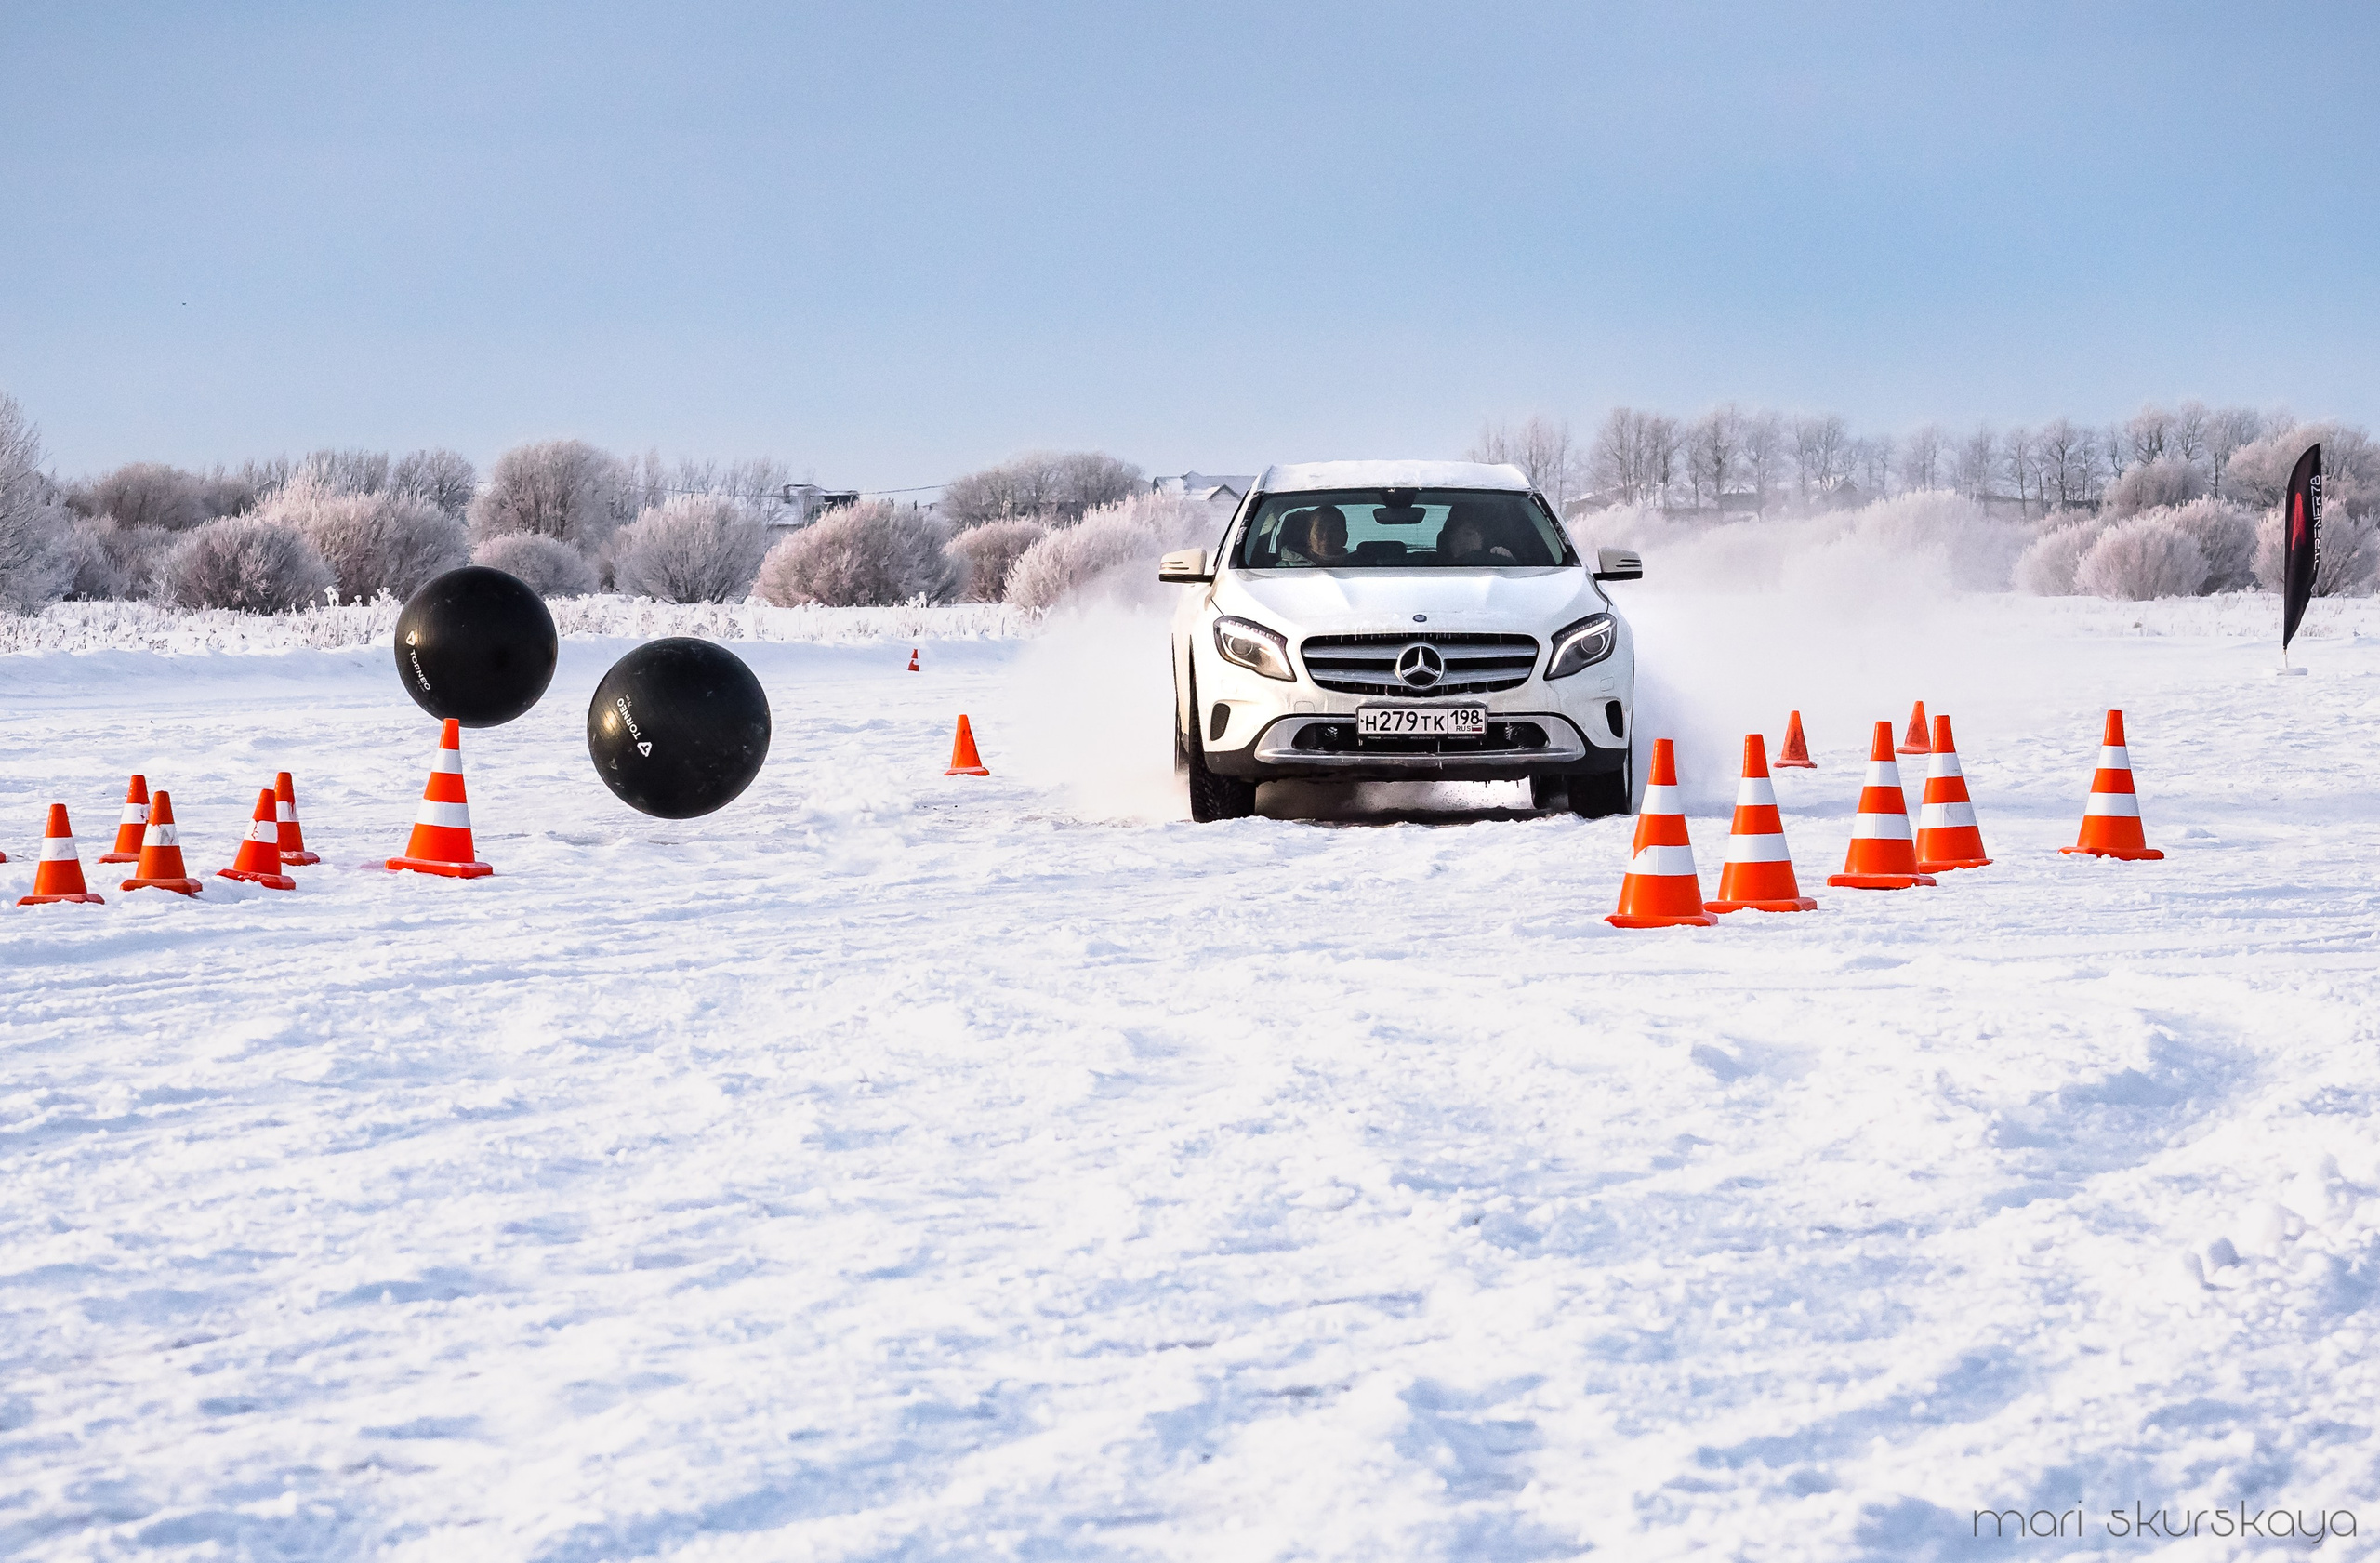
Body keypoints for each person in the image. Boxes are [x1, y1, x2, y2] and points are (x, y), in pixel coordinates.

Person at [1278, 504, 1350, 566]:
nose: (1326, 536)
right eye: (1319, 530)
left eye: (1334, 530)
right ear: (1308, 537)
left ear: (1345, 538)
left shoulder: (1359, 566)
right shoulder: (1282, 569)